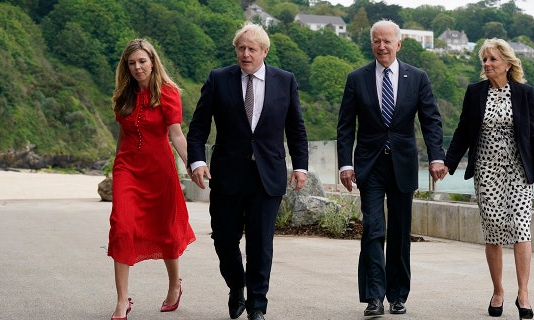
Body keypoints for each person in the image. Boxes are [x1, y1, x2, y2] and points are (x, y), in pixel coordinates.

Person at [186, 22, 308, 320]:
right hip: (227, 176)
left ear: (264, 51)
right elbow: (198, 128)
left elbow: (296, 129)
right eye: (241, 48)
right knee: (223, 239)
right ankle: (236, 285)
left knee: (260, 242)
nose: (245, 53)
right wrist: (197, 161)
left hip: (267, 176)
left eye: (252, 49)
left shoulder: (285, 81)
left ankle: (256, 304)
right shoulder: (218, 79)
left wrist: (301, 166)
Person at [337, 20, 446, 317]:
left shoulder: (418, 77)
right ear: (371, 44)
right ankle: (374, 296)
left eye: (387, 41)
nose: (381, 46)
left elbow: (431, 121)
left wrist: (437, 157)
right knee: (372, 229)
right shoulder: (356, 78)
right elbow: (346, 126)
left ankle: (398, 295)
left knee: (399, 232)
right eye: (376, 41)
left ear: (398, 44)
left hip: (403, 164)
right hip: (369, 166)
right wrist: (345, 164)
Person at [444, 38, 534, 319]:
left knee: (521, 228)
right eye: (484, 60)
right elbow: (463, 130)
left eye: (492, 59)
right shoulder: (475, 92)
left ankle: (523, 293)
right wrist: (448, 163)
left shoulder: (525, 93)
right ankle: (498, 291)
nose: (487, 64)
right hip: (487, 170)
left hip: (518, 171)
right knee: (493, 228)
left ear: (506, 62)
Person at [107, 39, 196, 320]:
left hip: (160, 171)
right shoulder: (124, 94)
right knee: (122, 228)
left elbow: (177, 135)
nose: (137, 67)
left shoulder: (168, 93)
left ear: (153, 62)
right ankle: (122, 301)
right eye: (131, 63)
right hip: (128, 169)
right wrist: (115, 167)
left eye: (142, 61)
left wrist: (193, 164)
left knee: (166, 229)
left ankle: (174, 287)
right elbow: (122, 135)